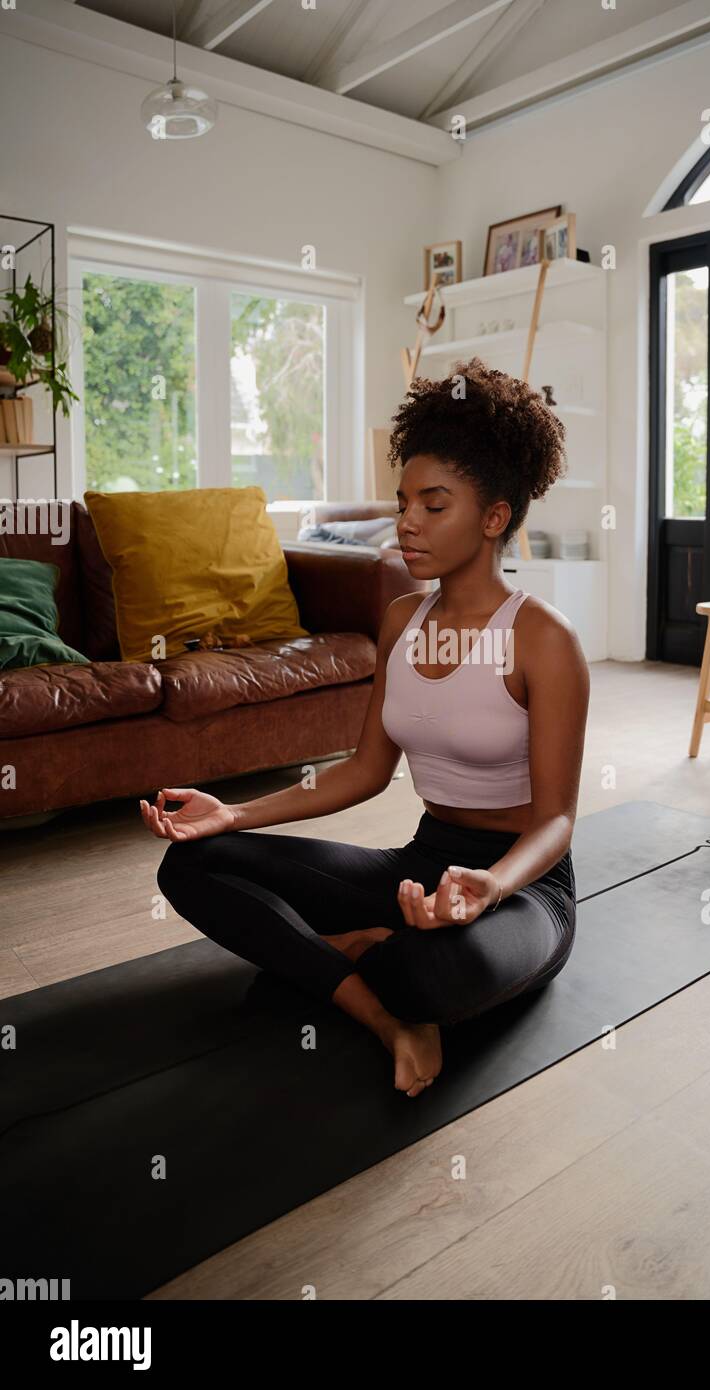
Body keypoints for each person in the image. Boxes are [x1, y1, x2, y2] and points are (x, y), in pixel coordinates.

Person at [144, 356, 590, 1099]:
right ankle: (379, 1010)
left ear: (493, 517)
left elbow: (556, 822)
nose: (406, 521)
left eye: (433, 504)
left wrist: (488, 887)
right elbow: (361, 771)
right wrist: (234, 814)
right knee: (190, 865)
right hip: (420, 864)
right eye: (403, 500)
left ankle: (347, 962)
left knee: (433, 974)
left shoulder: (543, 638)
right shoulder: (397, 621)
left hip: (523, 888)